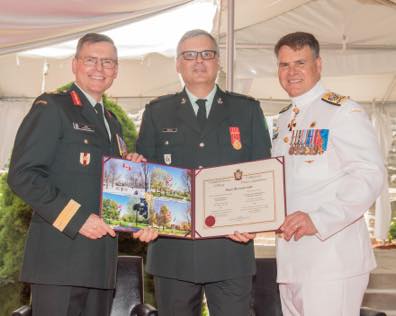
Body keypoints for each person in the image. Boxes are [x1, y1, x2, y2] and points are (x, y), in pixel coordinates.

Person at [134, 29, 272, 316]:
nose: (199, 61)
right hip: (173, 250)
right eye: (190, 55)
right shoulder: (157, 112)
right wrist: (141, 219)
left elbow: (262, 172)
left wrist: (254, 221)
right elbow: (142, 177)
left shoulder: (246, 110)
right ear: (178, 64)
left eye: (207, 54)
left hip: (230, 247)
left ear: (218, 62)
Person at [7, 33, 141, 316]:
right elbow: (23, 175)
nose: (99, 68)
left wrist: (133, 170)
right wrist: (77, 219)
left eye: (107, 62)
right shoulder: (53, 107)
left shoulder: (111, 122)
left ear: (115, 70)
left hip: (101, 263)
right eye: (91, 59)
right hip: (60, 263)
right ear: (75, 64)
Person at [272, 31, 385, 316]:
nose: (292, 72)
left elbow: (369, 175)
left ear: (319, 64)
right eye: (284, 65)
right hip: (291, 260)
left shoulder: (343, 111)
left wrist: (319, 219)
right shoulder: (284, 119)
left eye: (300, 62)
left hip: (332, 260)